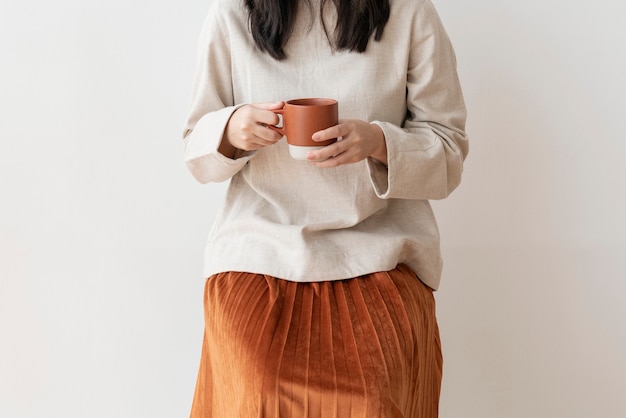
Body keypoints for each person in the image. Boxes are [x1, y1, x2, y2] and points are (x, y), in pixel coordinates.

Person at [181, 0, 468, 415]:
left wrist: (378, 142)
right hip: (258, 253)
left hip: (380, 255)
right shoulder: (232, 12)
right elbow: (195, 149)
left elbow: (449, 150)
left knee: (373, 398)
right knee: (259, 390)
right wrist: (231, 128)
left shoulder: (409, 11)